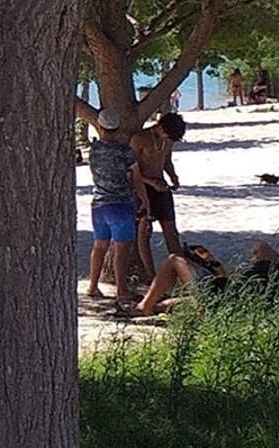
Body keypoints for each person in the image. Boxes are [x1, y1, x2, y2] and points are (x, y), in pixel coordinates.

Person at [83, 109, 140, 306]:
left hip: (99, 203)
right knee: (121, 249)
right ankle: (122, 290)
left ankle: (92, 285)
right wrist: (144, 200)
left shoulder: (94, 150)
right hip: (120, 203)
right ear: (117, 128)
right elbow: (136, 177)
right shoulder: (125, 151)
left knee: (99, 246)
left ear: (100, 127)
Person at [129, 112, 188, 279]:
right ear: (161, 126)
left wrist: (173, 177)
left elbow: (167, 161)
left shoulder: (167, 141)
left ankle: (181, 272)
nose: (168, 139)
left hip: (162, 188)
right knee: (144, 232)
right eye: (167, 135)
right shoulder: (140, 138)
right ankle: (151, 275)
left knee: (171, 230)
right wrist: (150, 182)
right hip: (143, 189)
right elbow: (132, 169)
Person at [135, 242, 230, 315]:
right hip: (219, 296)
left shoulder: (212, 269)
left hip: (212, 294)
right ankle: (149, 306)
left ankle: (145, 305)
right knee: (166, 304)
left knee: (173, 260)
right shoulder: (217, 269)